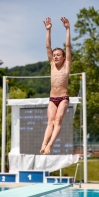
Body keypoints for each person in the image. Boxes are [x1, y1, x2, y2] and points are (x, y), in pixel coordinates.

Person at [40, 17, 71, 155]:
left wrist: (67, 29)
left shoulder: (67, 65)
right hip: (53, 98)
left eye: (59, 55)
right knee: (50, 121)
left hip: (63, 98)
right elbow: (48, 46)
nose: (56, 57)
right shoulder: (52, 64)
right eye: (54, 55)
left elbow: (68, 46)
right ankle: (44, 144)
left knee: (58, 120)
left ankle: (50, 145)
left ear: (64, 57)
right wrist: (48, 30)